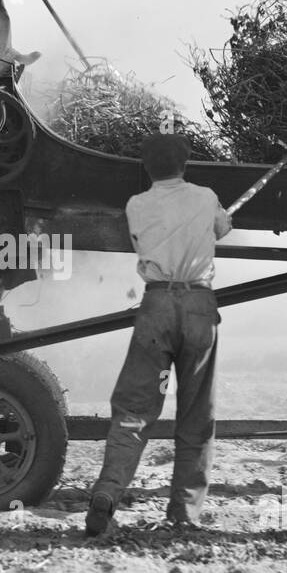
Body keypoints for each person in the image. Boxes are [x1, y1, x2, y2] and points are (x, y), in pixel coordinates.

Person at [85, 134, 232, 537]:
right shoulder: (205, 197)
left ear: (146, 168)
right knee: (196, 413)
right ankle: (184, 514)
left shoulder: (136, 205)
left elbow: (139, 240)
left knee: (135, 409)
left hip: (156, 308)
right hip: (199, 308)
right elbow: (223, 228)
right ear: (185, 165)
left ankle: (108, 492)